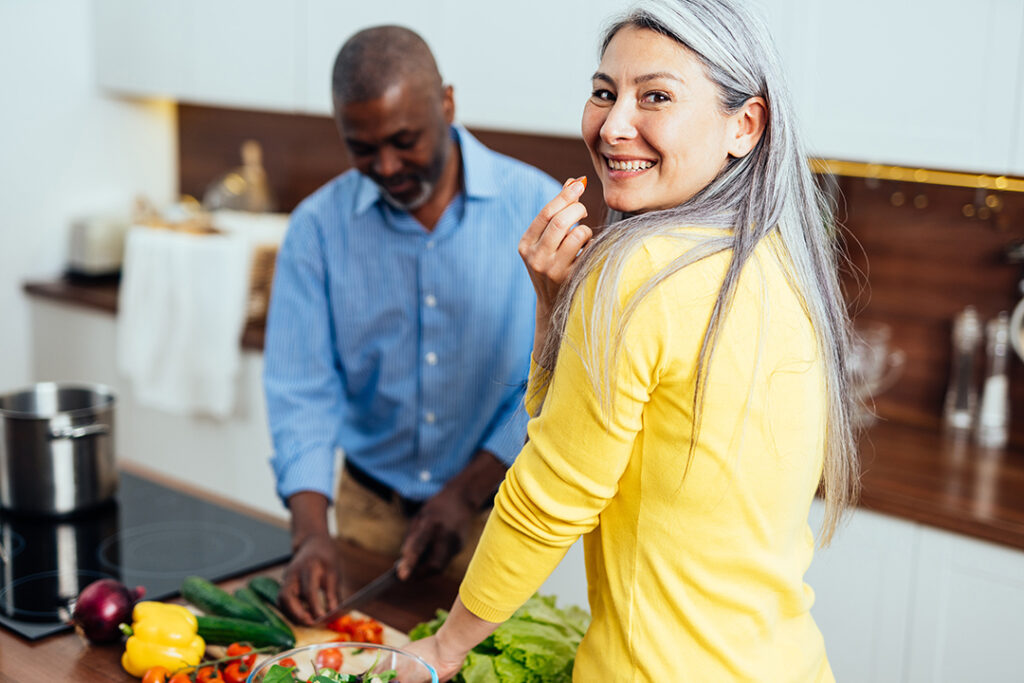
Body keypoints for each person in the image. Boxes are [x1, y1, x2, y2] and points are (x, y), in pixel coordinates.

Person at [404, 0, 861, 680]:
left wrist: (445, 646)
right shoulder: (781, 262)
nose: (614, 124)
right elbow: (591, 439)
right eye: (603, 92)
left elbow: (550, 493)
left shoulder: (639, 271)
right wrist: (556, 309)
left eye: (656, 96)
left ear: (745, 123)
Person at [262, 25, 562, 625]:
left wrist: (469, 490)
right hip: (366, 512)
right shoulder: (316, 230)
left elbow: (556, 375)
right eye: (363, 148)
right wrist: (310, 534)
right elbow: (302, 391)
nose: (387, 165)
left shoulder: (539, 208)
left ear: (446, 104)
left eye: (405, 140)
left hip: (497, 514)